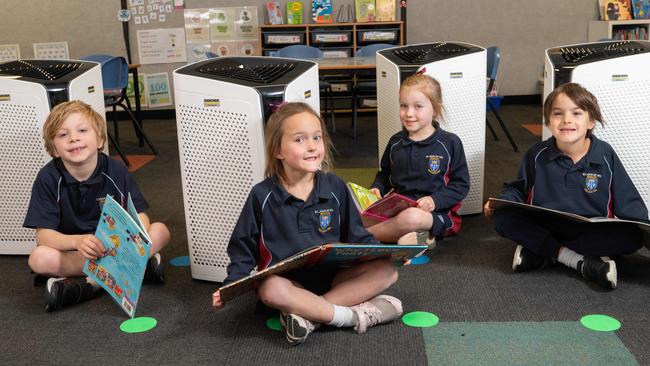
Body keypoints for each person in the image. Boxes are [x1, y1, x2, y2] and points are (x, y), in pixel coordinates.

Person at [212, 102, 403, 345]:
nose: (312, 146)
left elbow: (357, 235)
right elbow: (243, 246)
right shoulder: (261, 195)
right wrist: (230, 286)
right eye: (299, 140)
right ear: (278, 151)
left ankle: (308, 317)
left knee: (387, 272)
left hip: (334, 278)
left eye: (317, 137)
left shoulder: (335, 187)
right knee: (269, 289)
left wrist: (384, 252)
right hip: (289, 284)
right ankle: (350, 316)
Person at [484, 83, 648, 289]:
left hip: (587, 232)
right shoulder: (536, 154)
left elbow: (628, 199)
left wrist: (642, 228)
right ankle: (581, 261)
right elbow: (518, 189)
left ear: (591, 122)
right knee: (504, 218)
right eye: (558, 113)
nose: (567, 120)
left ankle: (546, 254)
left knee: (632, 237)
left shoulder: (605, 154)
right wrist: (501, 202)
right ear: (548, 122)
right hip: (545, 225)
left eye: (577, 113)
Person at [24, 101, 171, 311]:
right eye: (63, 135)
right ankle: (131, 271)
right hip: (78, 252)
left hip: (116, 246)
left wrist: (133, 237)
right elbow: (43, 236)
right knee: (39, 259)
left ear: (100, 139)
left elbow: (140, 215)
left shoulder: (115, 170)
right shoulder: (47, 178)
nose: (74, 138)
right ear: (54, 148)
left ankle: (90, 285)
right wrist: (78, 241)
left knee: (160, 231)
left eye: (82, 130)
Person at [366, 74, 470, 247]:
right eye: (404, 106)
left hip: (436, 214)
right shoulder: (395, 142)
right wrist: (377, 188)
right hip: (397, 208)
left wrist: (435, 200)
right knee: (358, 212)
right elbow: (384, 174)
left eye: (418, 107)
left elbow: (461, 185)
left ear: (435, 110)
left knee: (411, 217)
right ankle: (421, 238)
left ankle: (360, 238)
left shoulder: (450, 143)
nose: (409, 113)